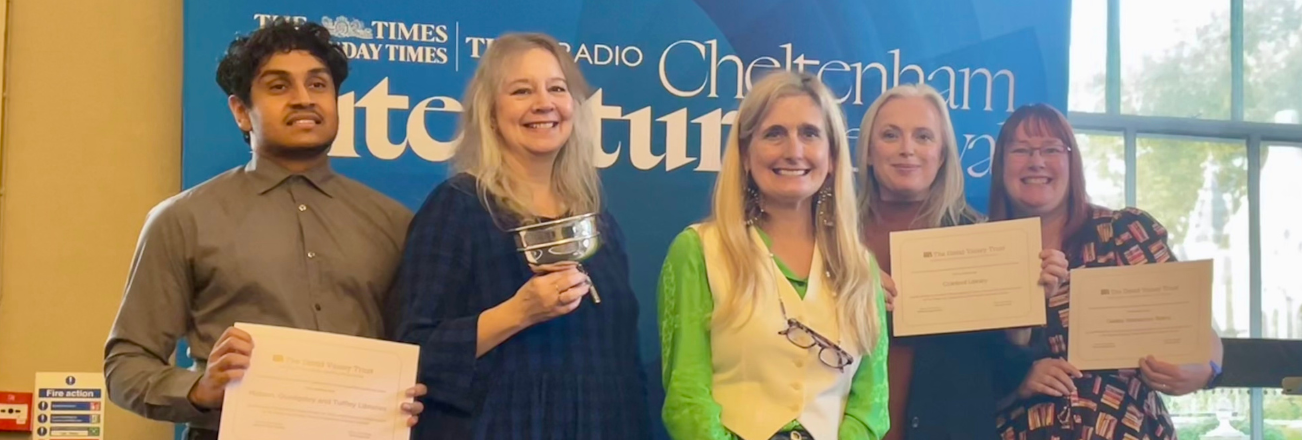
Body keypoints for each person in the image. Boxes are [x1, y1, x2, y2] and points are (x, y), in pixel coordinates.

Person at [103, 19, 425, 440]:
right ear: (241, 112)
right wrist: (199, 389)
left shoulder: (395, 223)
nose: (303, 99)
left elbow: (418, 347)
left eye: (318, 85)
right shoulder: (183, 219)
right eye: (279, 86)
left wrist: (415, 388)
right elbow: (125, 365)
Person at [393, 32, 650, 439]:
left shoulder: (599, 224)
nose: (544, 103)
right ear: (491, 114)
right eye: (521, 90)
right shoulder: (458, 207)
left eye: (557, 88)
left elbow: (624, 364)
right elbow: (416, 351)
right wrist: (519, 312)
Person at [658, 70, 890, 440]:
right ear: (745, 155)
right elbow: (687, 398)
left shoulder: (861, 268)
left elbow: (871, 408)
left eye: (809, 133)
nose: (793, 151)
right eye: (774, 134)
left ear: (832, 156)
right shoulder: (697, 251)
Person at [989, 104, 1225, 440]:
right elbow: (959, 374)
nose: (1036, 161)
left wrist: (1205, 371)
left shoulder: (1124, 232)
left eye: (1051, 149)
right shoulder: (980, 252)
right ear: (1001, 165)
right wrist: (1017, 380)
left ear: (1072, 162)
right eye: (1021, 150)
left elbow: (1199, 329)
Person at [854, 84, 1053, 440]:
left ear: (943, 153)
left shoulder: (981, 240)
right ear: (868, 151)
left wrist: (1022, 311)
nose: (907, 149)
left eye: (923, 137)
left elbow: (1004, 379)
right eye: (890, 135)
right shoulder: (831, 237)